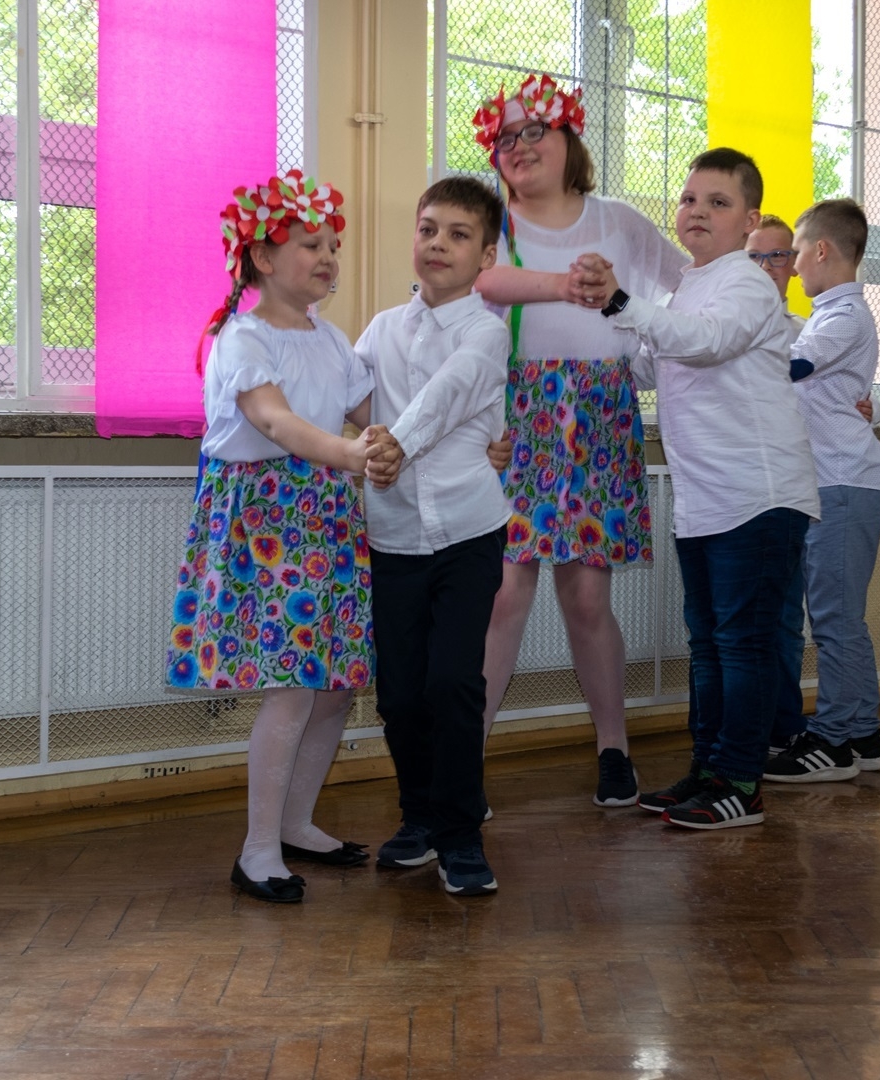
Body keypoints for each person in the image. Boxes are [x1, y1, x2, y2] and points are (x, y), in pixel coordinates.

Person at [167, 171, 402, 903]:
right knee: (295, 686)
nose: (329, 257)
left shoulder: (332, 339)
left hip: (325, 520)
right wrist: (350, 455)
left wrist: (442, 436)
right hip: (267, 524)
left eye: (333, 245)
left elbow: (378, 414)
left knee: (334, 686)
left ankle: (296, 823)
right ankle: (258, 849)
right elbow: (275, 421)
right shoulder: (243, 338)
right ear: (263, 258)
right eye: (310, 245)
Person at [470, 74, 688, 806]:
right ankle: (467, 758)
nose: (520, 145)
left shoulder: (618, 221)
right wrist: (567, 285)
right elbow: (480, 287)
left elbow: (691, 286)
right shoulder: (492, 226)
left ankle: (613, 748)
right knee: (503, 594)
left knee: (588, 597)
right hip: (516, 420)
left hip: (599, 416)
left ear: (570, 138)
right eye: (506, 136)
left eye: (536, 130)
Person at [587, 147, 819, 828]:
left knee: (743, 646)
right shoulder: (685, 288)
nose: (697, 211)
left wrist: (622, 302)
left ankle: (741, 783)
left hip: (758, 498)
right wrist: (590, 323)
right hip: (704, 503)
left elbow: (708, 342)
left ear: (749, 221)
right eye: (689, 199)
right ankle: (708, 770)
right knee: (710, 646)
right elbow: (652, 364)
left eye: (718, 202)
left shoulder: (747, 283)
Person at [356, 177, 513, 896]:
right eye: (428, 229)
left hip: (468, 532)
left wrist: (394, 442)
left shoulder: (486, 331)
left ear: (486, 255)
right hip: (392, 535)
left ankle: (459, 833)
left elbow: (450, 393)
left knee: (452, 682)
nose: (438, 244)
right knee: (399, 692)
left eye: (458, 233)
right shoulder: (382, 327)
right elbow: (344, 390)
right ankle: (418, 816)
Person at [762, 198, 880, 783]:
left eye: (794, 253)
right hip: (837, 480)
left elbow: (790, 368)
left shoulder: (843, 316)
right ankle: (864, 733)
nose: (791, 267)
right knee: (844, 618)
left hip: (843, 481)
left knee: (836, 620)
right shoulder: (829, 314)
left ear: (821, 250)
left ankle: (833, 742)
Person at [746, 216, 805, 335]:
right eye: (753, 256)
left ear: (795, 264)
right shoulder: (716, 332)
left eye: (777, 255)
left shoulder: (808, 335)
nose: (764, 266)